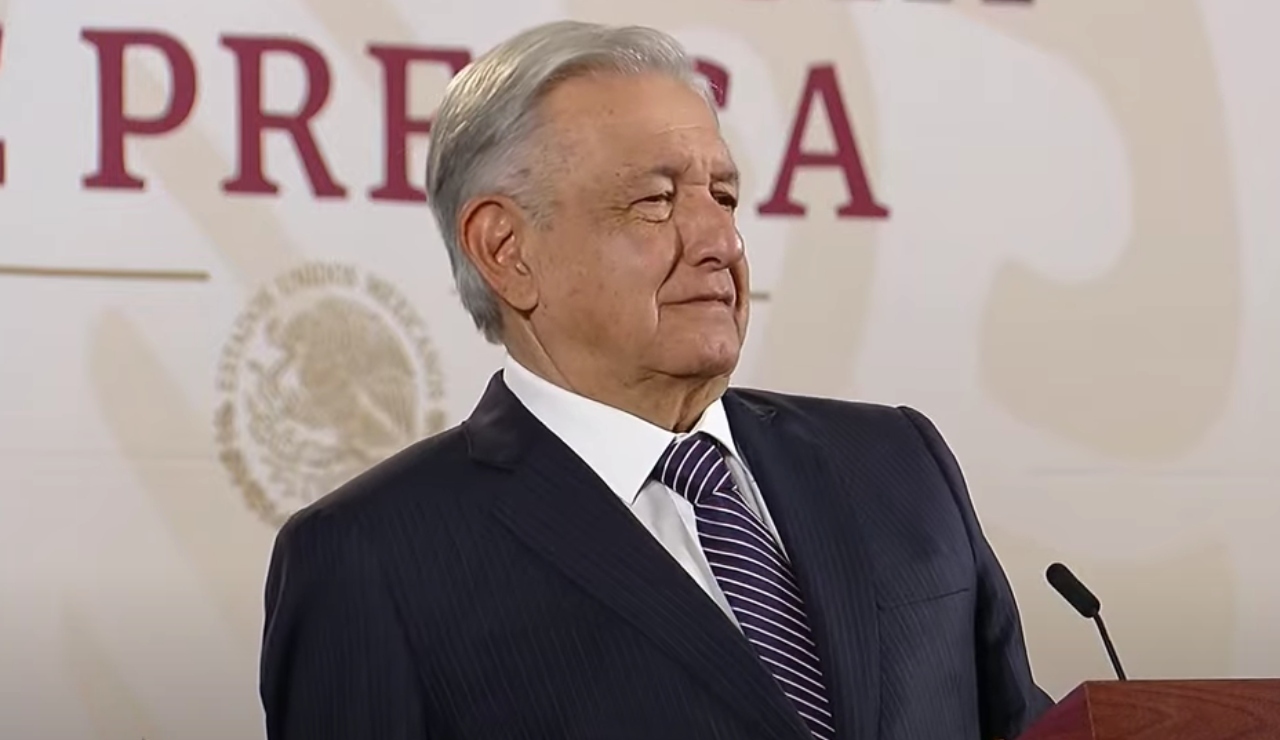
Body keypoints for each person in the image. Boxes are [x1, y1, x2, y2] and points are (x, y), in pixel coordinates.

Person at [258, 19, 1054, 740]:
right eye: (655, 200)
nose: (721, 241)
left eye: (724, 196)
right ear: (506, 250)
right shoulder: (372, 560)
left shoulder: (897, 463)